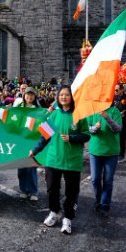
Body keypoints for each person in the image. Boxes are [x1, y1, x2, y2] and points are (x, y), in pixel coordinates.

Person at [29, 85, 90, 234]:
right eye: (61, 95)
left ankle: (68, 219)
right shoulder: (54, 115)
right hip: (53, 159)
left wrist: (72, 138)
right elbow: (44, 136)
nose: (63, 97)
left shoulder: (79, 115)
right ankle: (54, 211)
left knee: (71, 192)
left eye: (67, 95)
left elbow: (87, 135)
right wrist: (35, 150)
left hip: (72, 161)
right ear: (58, 97)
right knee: (51, 189)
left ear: (72, 97)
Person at [86, 106, 122, 217]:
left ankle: (105, 204)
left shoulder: (115, 111)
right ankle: (99, 200)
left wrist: (107, 118)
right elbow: (88, 129)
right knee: (95, 179)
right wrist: (95, 128)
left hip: (111, 152)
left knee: (108, 180)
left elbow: (118, 129)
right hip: (95, 151)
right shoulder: (92, 110)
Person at [16, 87, 41, 201]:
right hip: (21, 141)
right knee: (21, 168)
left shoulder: (38, 110)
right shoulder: (18, 109)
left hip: (32, 142)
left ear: (35, 97)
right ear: (24, 96)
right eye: (27, 95)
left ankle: (33, 191)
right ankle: (24, 190)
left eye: (32, 95)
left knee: (31, 168)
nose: (29, 97)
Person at [113, 84, 126, 162]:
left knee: (122, 138)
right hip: (114, 121)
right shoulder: (113, 98)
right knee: (114, 138)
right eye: (115, 90)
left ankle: (121, 155)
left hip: (122, 121)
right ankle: (114, 153)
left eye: (117, 90)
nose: (115, 91)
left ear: (122, 90)